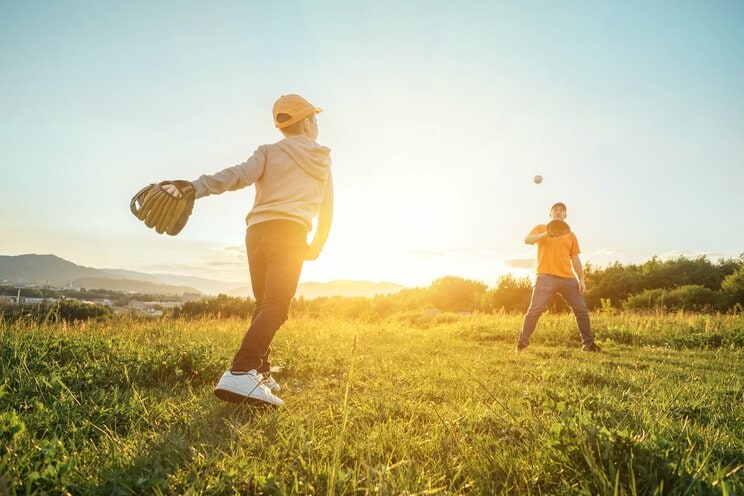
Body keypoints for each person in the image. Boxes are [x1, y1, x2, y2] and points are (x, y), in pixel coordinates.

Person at [184, 94, 333, 406]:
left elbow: (237, 176)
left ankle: (261, 373)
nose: (317, 124)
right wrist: (316, 244)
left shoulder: (267, 152)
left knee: (264, 303)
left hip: (257, 233)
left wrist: (193, 188)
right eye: (315, 118)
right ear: (306, 123)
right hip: (290, 233)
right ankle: (241, 372)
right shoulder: (321, 159)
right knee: (277, 306)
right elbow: (327, 209)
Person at [516, 202, 602, 353]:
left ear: (565, 216)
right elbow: (527, 240)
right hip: (545, 277)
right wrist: (547, 234)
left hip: (568, 279)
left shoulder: (571, 235)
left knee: (581, 310)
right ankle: (522, 344)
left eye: (561, 211)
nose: (558, 212)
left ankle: (588, 345)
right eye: (555, 210)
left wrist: (581, 279)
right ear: (550, 214)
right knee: (535, 310)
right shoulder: (541, 228)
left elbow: (575, 259)